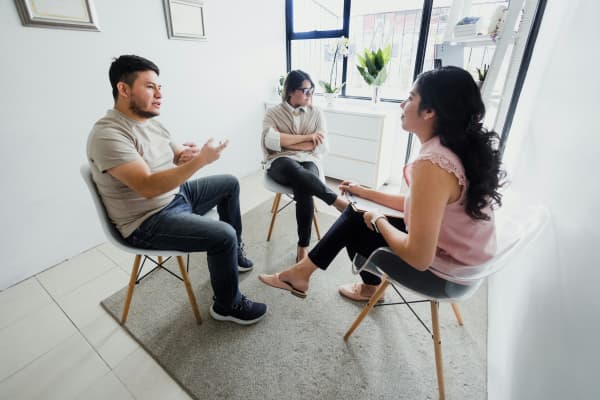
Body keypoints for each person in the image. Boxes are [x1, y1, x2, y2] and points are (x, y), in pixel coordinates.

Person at [259, 66, 505, 301]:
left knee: (356, 221)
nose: (402, 104)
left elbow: (418, 257)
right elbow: (417, 205)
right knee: (357, 210)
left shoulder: (433, 164)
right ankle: (303, 274)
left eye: (410, 97)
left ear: (430, 111)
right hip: (464, 265)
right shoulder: (454, 148)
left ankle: (324, 279)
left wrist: (379, 220)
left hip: (447, 278)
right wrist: (365, 192)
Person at [87, 55, 267, 325]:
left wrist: (184, 155)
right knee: (223, 235)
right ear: (123, 89)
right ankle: (227, 305)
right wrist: (200, 161)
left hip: (175, 196)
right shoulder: (108, 135)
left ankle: (233, 254)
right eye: (150, 87)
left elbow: (174, 155)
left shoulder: (151, 121)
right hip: (147, 220)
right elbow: (147, 186)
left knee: (230, 183)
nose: (159, 94)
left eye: (160, 87)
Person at [262, 70, 348, 262]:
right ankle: (334, 200)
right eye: (305, 90)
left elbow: (322, 145)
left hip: (309, 159)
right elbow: (270, 142)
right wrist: (308, 138)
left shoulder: (316, 112)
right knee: (294, 169)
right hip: (280, 161)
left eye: (312, 90)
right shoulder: (273, 113)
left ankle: (303, 246)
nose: (310, 95)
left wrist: (286, 141)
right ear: (291, 91)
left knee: (303, 185)